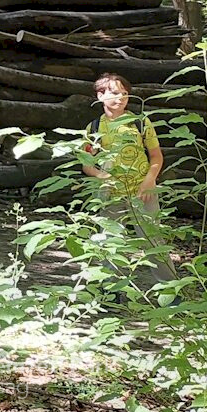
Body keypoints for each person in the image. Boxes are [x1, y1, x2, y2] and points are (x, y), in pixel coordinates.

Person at [79, 72, 175, 290]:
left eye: (124, 93)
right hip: (110, 194)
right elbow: (86, 164)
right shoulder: (94, 128)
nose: (121, 98)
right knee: (110, 240)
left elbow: (156, 156)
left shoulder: (140, 123)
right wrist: (103, 177)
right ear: (100, 95)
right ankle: (110, 291)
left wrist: (149, 181)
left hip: (143, 191)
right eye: (114, 93)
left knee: (153, 240)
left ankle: (171, 291)